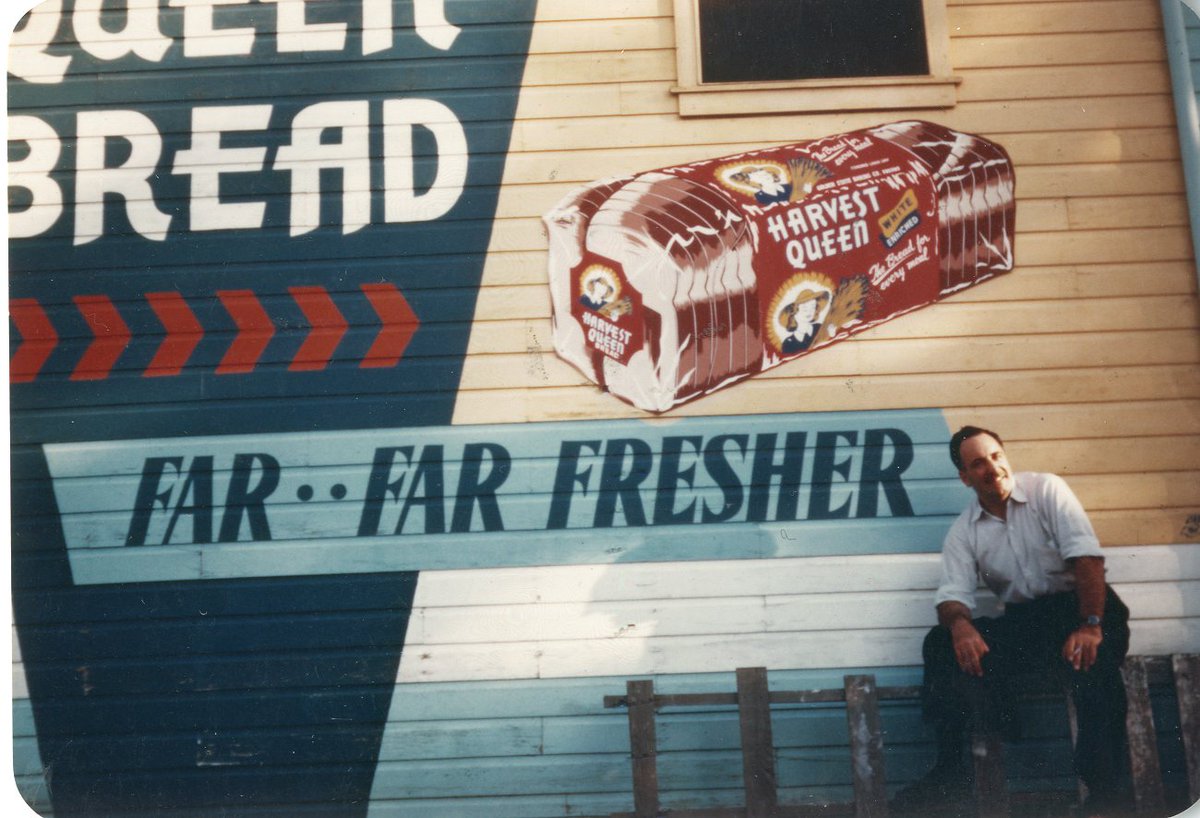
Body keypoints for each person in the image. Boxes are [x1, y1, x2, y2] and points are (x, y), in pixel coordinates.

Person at [891, 426, 1131, 818]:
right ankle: (952, 769)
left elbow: (1087, 560)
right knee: (940, 642)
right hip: (1030, 623)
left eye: (996, 456)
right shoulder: (963, 531)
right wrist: (960, 625)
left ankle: (1106, 795)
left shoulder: (1046, 491)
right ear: (965, 477)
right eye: (978, 463)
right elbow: (951, 596)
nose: (993, 468)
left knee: (1095, 668)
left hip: (1087, 607)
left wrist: (1090, 624)